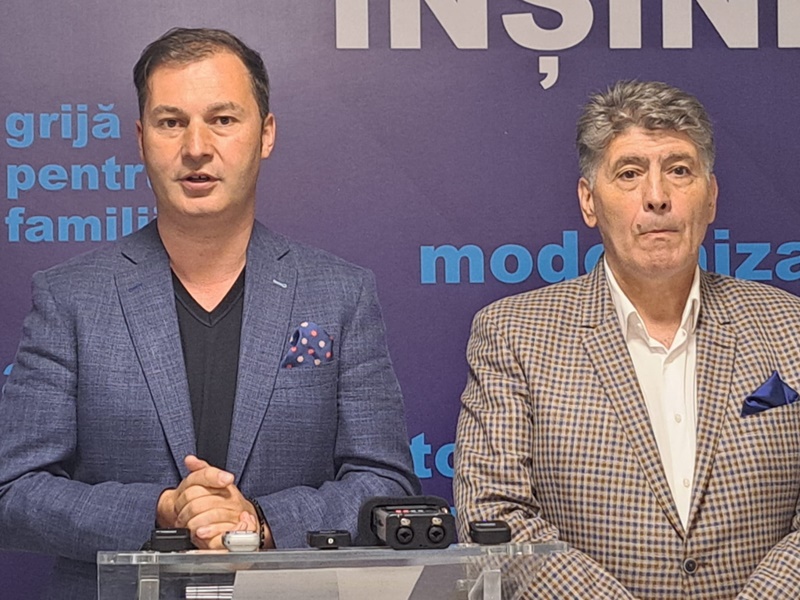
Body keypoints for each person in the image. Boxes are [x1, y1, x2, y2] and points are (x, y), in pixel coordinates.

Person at [0, 27, 419, 599]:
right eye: (171, 122)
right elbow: (12, 491)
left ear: (265, 134)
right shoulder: (69, 297)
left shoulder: (341, 294)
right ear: (141, 138)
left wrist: (259, 523)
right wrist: (162, 510)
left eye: (223, 119)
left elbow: (387, 485)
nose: (196, 147)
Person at [454, 80, 800, 599]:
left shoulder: (790, 326)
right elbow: (494, 515)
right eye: (630, 173)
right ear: (589, 201)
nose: (657, 197)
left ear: (710, 198)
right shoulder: (514, 334)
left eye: (679, 171)